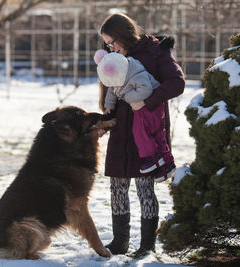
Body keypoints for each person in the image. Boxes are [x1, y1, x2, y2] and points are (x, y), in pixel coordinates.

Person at [97, 13, 185, 258]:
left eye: (112, 42)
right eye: (106, 44)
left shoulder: (156, 50)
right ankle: (120, 241)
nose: (110, 48)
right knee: (117, 187)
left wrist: (147, 101)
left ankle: (147, 244)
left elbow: (177, 83)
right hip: (120, 131)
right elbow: (112, 92)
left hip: (146, 133)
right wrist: (105, 120)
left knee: (145, 188)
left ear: (124, 34)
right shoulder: (115, 57)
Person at [94, 49, 176, 182]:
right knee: (156, 135)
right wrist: (109, 106)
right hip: (142, 108)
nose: (115, 86)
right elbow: (113, 91)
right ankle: (167, 164)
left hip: (151, 107)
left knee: (141, 131)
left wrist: (128, 97)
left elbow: (146, 89)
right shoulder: (118, 75)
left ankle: (152, 158)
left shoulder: (135, 73)